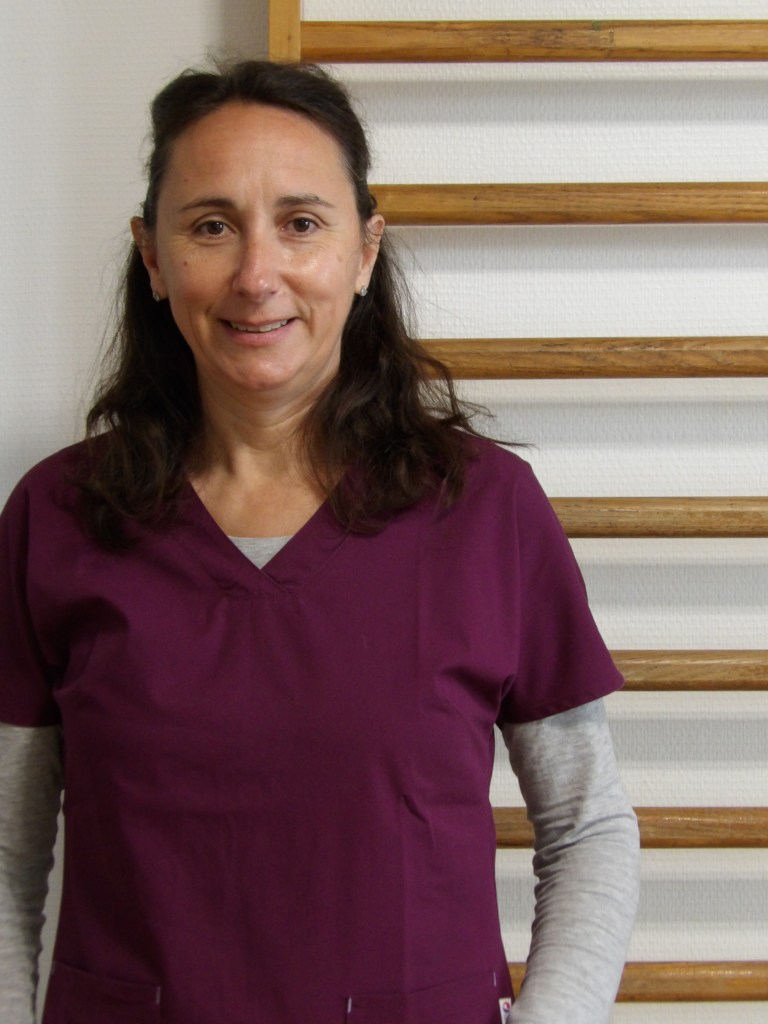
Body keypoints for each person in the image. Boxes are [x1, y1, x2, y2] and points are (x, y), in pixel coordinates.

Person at [0, 60, 639, 1024]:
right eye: (211, 226)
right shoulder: (55, 516)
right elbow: (7, 857)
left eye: (301, 223)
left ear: (365, 251)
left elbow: (587, 828)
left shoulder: (488, 510)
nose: (258, 275)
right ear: (153, 256)